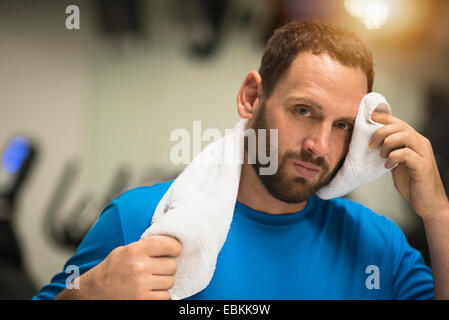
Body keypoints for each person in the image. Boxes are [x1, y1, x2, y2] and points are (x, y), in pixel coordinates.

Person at [33, 20, 449, 300]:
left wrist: (438, 212)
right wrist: (85, 295)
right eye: (304, 111)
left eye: (342, 125)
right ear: (252, 97)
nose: (319, 146)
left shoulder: (379, 244)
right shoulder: (141, 220)